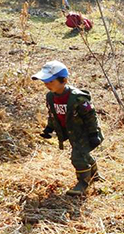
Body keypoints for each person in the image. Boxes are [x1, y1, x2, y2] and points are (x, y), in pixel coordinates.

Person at [34, 61, 103, 196]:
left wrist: (94, 133)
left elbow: (90, 116)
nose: (47, 85)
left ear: (64, 80)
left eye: (50, 82)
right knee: (82, 153)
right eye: (45, 82)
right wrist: (49, 128)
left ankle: (83, 183)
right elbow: (53, 114)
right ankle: (95, 175)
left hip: (82, 131)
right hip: (69, 132)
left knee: (77, 156)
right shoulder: (50, 97)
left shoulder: (78, 97)